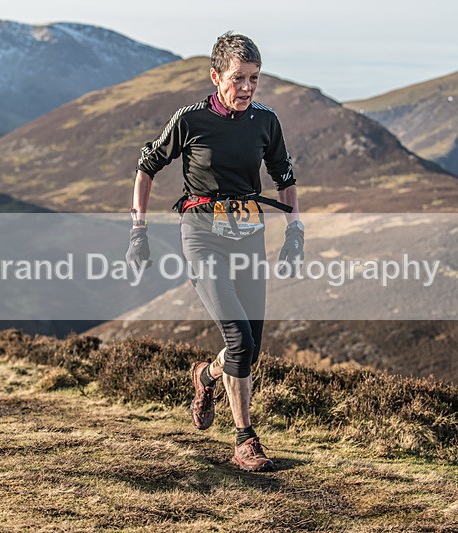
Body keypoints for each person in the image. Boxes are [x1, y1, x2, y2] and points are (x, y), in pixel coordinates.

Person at [127, 32, 304, 472]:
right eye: (238, 78)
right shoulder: (190, 120)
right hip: (202, 235)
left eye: (255, 78)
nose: (246, 87)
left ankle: (205, 376)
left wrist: (294, 231)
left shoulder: (266, 121)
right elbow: (146, 167)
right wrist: (138, 231)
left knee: (250, 348)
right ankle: (246, 439)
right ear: (216, 76)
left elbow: (285, 177)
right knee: (238, 338)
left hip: (247, 235)